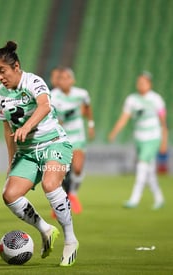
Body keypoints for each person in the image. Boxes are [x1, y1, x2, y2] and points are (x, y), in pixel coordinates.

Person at [0, 41, 78, 267]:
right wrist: (11, 163)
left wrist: (27, 127)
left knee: (51, 184)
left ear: (16, 66)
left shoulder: (33, 81)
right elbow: (7, 130)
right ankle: (45, 229)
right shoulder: (0, 95)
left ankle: (70, 240)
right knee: (9, 195)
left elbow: (44, 106)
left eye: (2, 71)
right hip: (27, 153)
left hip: (54, 144)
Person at [109, 71, 167, 210]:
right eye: (138, 82)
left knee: (141, 165)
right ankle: (159, 198)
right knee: (149, 170)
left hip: (153, 137)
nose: (140, 85)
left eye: (143, 82)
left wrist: (164, 140)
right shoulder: (132, 99)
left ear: (149, 84)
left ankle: (134, 199)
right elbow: (125, 117)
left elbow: (163, 122)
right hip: (139, 137)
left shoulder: (156, 99)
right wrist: (114, 131)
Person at [50, 67, 95, 214]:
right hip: (61, 138)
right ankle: (60, 202)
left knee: (77, 168)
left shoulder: (81, 94)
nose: (63, 81)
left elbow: (87, 107)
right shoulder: (53, 96)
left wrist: (90, 124)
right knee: (60, 172)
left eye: (66, 78)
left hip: (78, 136)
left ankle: (73, 195)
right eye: (60, 78)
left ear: (72, 80)